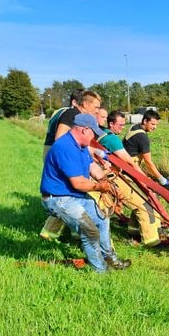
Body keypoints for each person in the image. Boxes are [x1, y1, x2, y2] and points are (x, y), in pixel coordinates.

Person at [40, 113, 130, 272]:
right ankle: (100, 271)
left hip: (73, 196)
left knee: (103, 217)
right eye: (93, 133)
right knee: (90, 231)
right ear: (84, 130)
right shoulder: (65, 147)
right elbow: (78, 183)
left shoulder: (80, 146)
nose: (95, 137)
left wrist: (111, 185)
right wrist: (101, 187)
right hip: (59, 199)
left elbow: (92, 168)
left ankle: (110, 259)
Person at [40, 90, 103, 241]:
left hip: (57, 153)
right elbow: (61, 139)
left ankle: (51, 233)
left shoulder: (72, 114)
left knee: (67, 193)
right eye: (95, 106)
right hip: (60, 155)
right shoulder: (72, 114)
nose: (97, 110)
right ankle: (78, 232)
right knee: (69, 192)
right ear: (85, 104)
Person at [96, 109, 165, 247]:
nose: (123, 128)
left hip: (105, 174)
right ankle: (152, 241)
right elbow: (131, 163)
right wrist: (146, 181)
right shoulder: (112, 139)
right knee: (146, 203)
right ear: (111, 124)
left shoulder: (101, 134)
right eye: (120, 125)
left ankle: (133, 231)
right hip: (112, 176)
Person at [123, 109, 169, 187]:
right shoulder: (143, 137)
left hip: (123, 162)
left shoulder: (134, 126)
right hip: (130, 168)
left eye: (156, 125)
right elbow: (148, 162)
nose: (155, 127)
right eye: (152, 124)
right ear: (145, 121)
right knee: (147, 191)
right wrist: (161, 179)